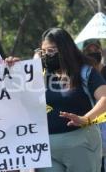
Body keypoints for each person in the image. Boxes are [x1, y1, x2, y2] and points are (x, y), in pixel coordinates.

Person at [30, 28, 106, 171]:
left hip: (81, 144)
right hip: (48, 149)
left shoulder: (86, 72)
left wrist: (86, 119)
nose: (46, 56)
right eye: (43, 52)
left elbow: (104, 98)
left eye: (51, 51)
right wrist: (12, 67)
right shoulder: (42, 74)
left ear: (65, 50)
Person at [82, 39, 106, 172]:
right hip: (90, 124)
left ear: (101, 51)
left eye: (96, 50)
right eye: (89, 51)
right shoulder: (83, 74)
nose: (93, 53)